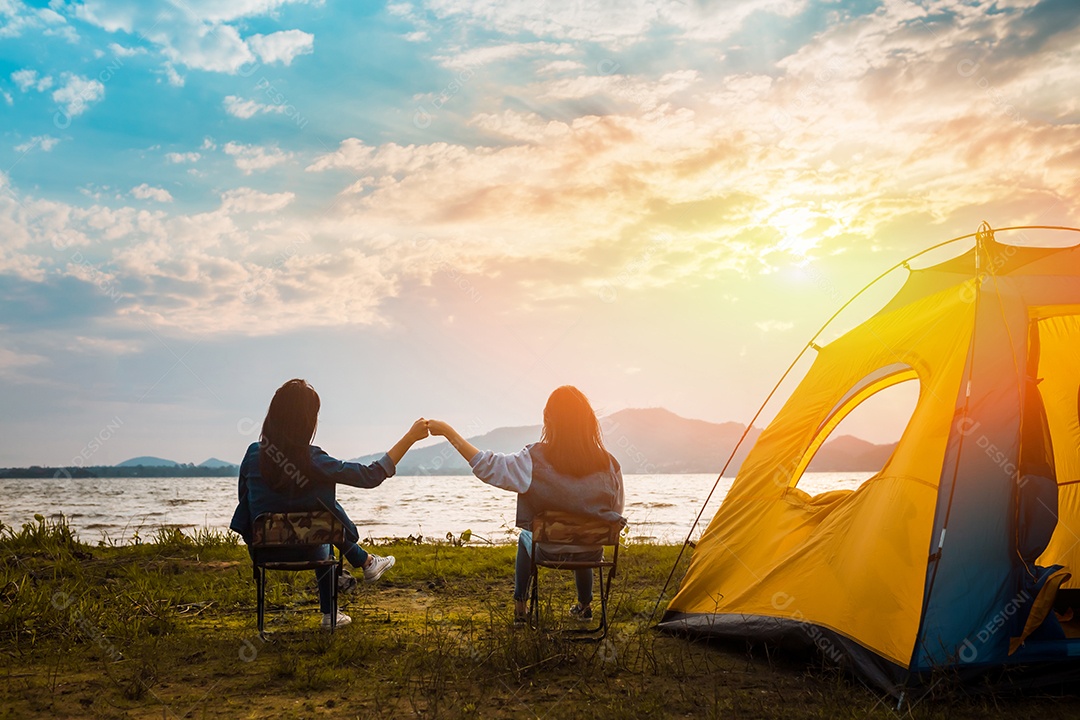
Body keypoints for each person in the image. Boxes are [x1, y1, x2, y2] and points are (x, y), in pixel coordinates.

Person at [230, 378, 429, 629]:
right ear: (306, 422)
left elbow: (244, 502)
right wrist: (410, 437)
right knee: (324, 522)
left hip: (263, 550)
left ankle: (366, 563)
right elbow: (370, 476)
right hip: (310, 550)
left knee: (316, 508)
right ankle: (332, 611)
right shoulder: (313, 459)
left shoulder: (252, 454)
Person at [426, 386, 624, 623]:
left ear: (549, 420)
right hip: (592, 551)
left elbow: (488, 466)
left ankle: (521, 608)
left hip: (548, 550)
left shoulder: (533, 460)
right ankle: (585, 606)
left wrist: (449, 432)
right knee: (582, 534)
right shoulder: (610, 464)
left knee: (525, 537)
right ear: (588, 422)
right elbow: (616, 510)